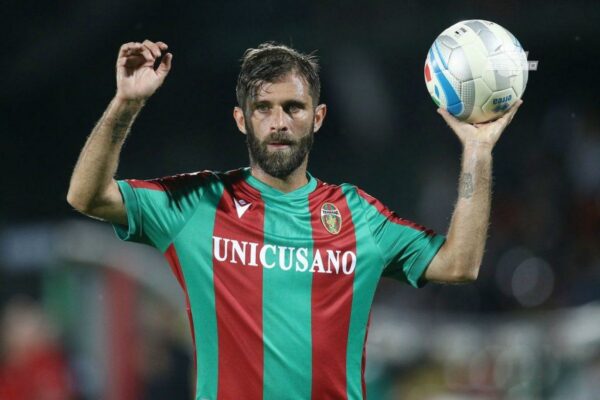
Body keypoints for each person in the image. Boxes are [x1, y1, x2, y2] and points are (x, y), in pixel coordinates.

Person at [67, 39, 522, 399]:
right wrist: (126, 103)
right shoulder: (198, 203)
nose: (278, 122)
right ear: (241, 119)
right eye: (263, 108)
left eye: (293, 107)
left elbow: (460, 263)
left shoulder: (357, 215)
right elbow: (87, 196)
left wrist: (477, 151)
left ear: (317, 117)